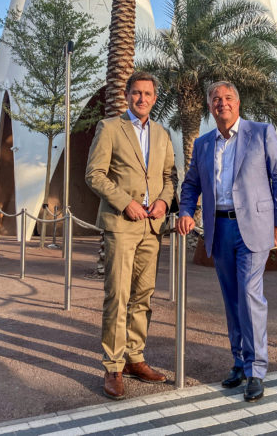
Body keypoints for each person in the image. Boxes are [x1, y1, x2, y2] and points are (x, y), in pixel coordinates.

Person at [176, 81, 277, 403]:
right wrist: (186, 211)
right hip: (220, 228)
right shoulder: (203, 144)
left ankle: (256, 370)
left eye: (228, 98)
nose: (222, 103)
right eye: (216, 99)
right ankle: (239, 362)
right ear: (209, 106)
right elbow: (191, 184)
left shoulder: (261, 132)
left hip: (252, 226)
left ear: (238, 104)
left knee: (249, 295)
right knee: (231, 298)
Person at [85, 71, 177, 400]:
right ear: (126, 96)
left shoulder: (162, 133)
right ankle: (113, 366)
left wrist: (164, 201)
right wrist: (126, 203)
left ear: (155, 98)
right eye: (136, 93)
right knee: (118, 295)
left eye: (147, 94)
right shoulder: (110, 127)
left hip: (152, 226)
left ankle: (135, 357)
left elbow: (169, 176)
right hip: (121, 224)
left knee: (143, 295)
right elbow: (94, 174)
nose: (142, 98)